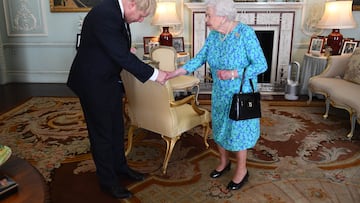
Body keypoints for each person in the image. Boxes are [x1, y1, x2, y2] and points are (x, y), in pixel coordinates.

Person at [67, 0, 167, 199]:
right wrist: (156, 74)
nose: (140, 20)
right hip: (92, 82)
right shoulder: (105, 13)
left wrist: (123, 49)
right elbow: (119, 54)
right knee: (102, 133)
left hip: (107, 79)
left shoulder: (116, 13)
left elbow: (113, 45)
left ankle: (121, 168)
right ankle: (108, 181)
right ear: (131, 4)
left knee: (116, 127)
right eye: (140, 15)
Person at [166, 0, 267, 191]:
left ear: (222, 16)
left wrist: (233, 73)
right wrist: (176, 72)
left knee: (238, 132)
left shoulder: (245, 33)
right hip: (220, 92)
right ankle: (224, 162)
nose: (206, 19)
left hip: (240, 93)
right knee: (220, 126)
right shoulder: (214, 35)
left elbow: (261, 64)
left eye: (208, 15)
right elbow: (200, 58)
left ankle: (242, 170)